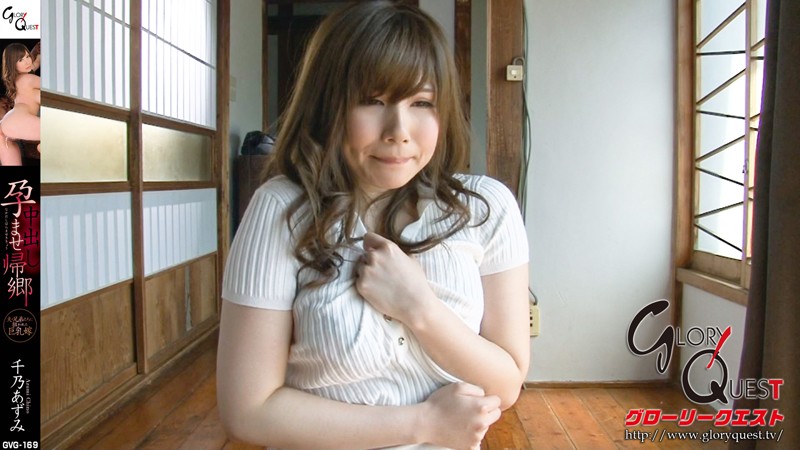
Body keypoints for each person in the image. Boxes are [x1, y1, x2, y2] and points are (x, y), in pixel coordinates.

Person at [217, 2, 530, 449]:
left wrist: (419, 308)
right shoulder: (282, 208)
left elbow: (507, 383)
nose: (399, 130)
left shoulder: (486, 209)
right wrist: (423, 423)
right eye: (372, 101)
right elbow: (247, 411)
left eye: (422, 103)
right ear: (328, 106)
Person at [1, 42, 41, 163]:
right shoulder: (29, 79)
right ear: (13, 64)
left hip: (6, 125)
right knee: (59, 133)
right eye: (20, 59)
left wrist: (37, 55)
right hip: (17, 121)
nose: (27, 62)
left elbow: (34, 64)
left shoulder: (17, 80)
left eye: (27, 56)